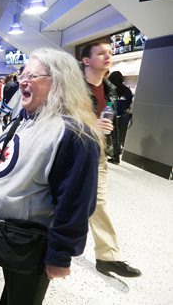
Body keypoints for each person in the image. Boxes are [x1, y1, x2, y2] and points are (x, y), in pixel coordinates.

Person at [0, 47, 102, 304]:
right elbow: (20, 154)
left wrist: (59, 256)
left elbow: (74, 204)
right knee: (12, 292)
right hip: (8, 237)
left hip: (31, 245)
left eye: (33, 76)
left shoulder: (73, 135)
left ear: (58, 82)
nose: (23, 80)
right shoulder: (25, 118)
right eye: (23, 74)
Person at [81, 41, 141, 277]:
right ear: (86, 60)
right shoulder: (72, 88)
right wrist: (89, 125)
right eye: (101, 53)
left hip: (97, 153)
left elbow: (109, 123)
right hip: (71, 155)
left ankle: (107, 257)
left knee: (99, 204)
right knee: (57, 203)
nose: (108, 56)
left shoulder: (109, 90)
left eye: (110, 52)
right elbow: (56, 119)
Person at [107, 70, 133, 148]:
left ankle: (110, 150)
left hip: (109, 115)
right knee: (119, 136)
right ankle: (116, 152)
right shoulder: (127, 91)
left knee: (108, 134)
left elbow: (108, 103)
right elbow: (128, 103)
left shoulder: (109, 89)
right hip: (122, 116)